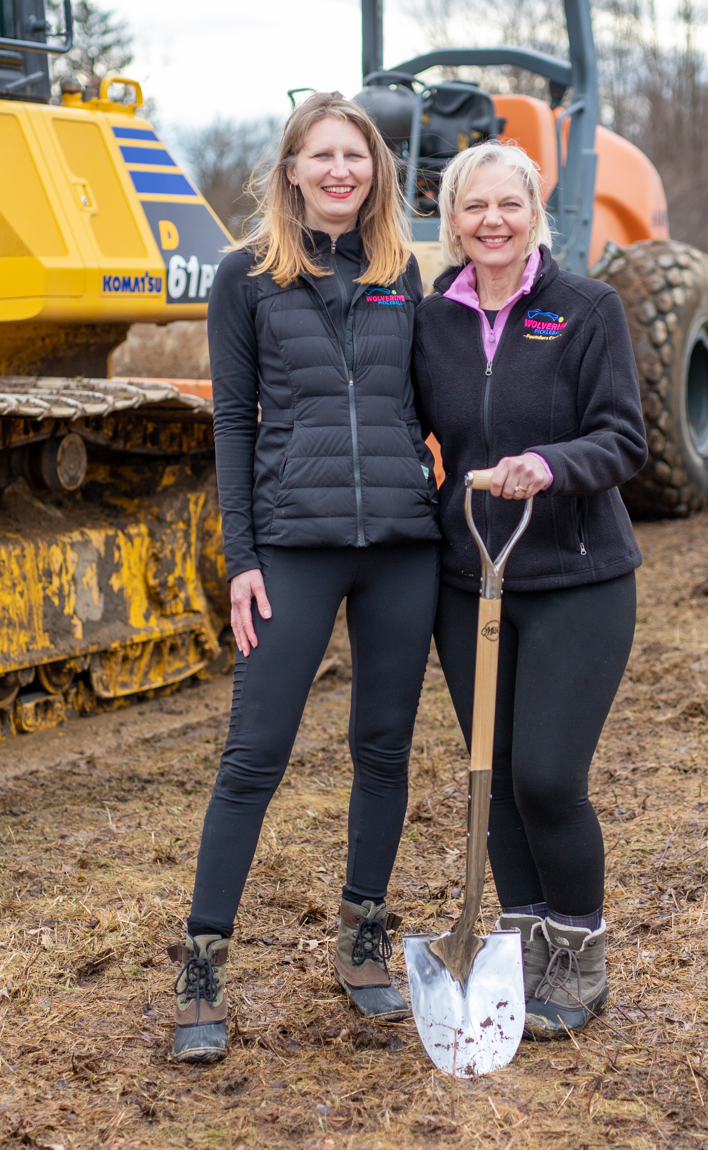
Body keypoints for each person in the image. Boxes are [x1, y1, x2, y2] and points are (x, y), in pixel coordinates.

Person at [169, 93, 441, 1064]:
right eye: (320, 155)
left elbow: (439, 399)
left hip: (402, 549)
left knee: (383, 749)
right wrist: (240, 559)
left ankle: (362, 936)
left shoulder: (402, 272)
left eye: (354, 156)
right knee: (253, 755)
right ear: (289, 169)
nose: (338, 170)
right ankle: (202, 963)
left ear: (375, 171)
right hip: (293, 545)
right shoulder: (245, 278)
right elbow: (230, 423)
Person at [413, 141, 648, 1039]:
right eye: (474, 208)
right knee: (493, 780)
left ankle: (580, 952)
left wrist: (548, 465)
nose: (492, 223)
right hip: (469, 576)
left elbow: (623, 438)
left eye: (508, 205)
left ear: (534, 210)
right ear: (452, 220)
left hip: (575, 575)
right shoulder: (433, 319)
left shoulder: (585, 308)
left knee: (547, 776)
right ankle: (522, 952)